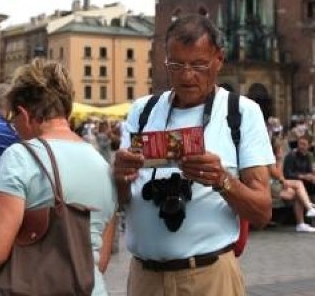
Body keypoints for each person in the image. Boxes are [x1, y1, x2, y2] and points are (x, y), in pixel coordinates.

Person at [112, 15, 274, 296]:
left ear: (218, 60)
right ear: (165, 62)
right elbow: (121, 199)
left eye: (198, 64)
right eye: (176, 65)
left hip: (210, 277)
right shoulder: (143, 110)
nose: (187, 75)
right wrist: (119, 177)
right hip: (145, 279)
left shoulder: (241, 112)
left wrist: (222, 180)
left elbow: (262, 212)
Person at [0, 59, 116, 296]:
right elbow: (99, 261)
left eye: (12, 120)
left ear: (24, 114)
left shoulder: (21, 157)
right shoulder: (102, 165)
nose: (14, 129)